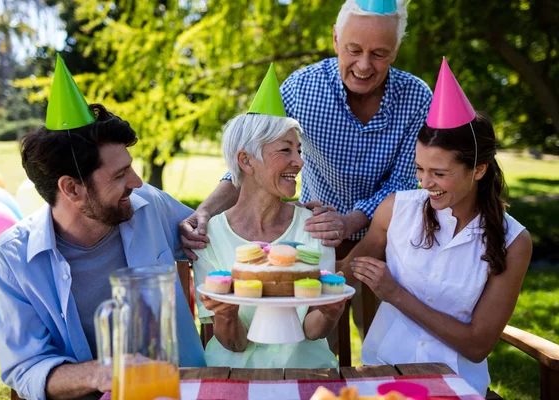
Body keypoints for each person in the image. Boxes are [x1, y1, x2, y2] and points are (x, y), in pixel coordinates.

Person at [180, 0, 432, 339]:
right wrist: (206, 211)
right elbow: (253, 158)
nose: (363, 64)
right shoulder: (302, 88)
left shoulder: (416, 97)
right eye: (353, 49)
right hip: (311, 238)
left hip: (388, 242)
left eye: (379, 54)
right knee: (314, 335)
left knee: (383, 339)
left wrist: (348, 222)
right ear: (335, 39)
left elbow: (406, 181)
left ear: (396, 51)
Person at [0, 55, 205, 400]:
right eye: (119, 175)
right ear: (71, 189)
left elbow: (212, 226)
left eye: (129, 168)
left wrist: (298, 213)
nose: (137, 181)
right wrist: (103, 373)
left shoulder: (148, 205)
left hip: (182, 389)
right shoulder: (13, 259)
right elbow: (25, 368)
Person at [339, 58, 532, 395]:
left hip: (458, 387)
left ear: (480, 169)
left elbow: (477, 345)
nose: (425, 183)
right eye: (419, 169)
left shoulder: (513, 241)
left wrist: (395, 294)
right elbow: (343, 273)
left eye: (439, 173)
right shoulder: (395, 210)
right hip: (385, 379)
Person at [193, 64, 348, 368]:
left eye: (299, 150)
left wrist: (330, 312)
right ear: (246, 160)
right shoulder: (209, 236)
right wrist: (226, 314)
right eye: (285, 150)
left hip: (308, 375)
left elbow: (313, 331)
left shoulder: (315, 227)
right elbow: (234, 343)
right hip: (233, 377)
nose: (299, 161)